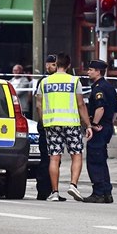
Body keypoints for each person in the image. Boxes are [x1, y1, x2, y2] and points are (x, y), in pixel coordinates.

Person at [36, 53, 93, 202]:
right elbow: (81, 105)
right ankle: (73, 185)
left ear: (56, 64)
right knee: (77, 154)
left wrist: (44, 121)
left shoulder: (45, 82)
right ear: (68, 65)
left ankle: (54, 191)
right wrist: (88, 125)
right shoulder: (74, 81)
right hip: (71, 123)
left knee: (54, 158)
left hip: (52, 124)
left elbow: (38, 104)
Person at [84, 59, 117, 203]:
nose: (88, 72)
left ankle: (98, 193)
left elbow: (100, 108)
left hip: (99, 128)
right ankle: (106, 193)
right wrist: (109, 123)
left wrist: (93, 124)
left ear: (98, 72)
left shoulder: (98, 88)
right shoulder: (109, 87)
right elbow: (116, 109)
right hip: (107, 127)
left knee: (94, 160)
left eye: (91, 70)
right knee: (102, 160)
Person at [33, 54, 58, 200]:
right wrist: (43, 122)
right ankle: (43, 191)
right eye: (48, 64)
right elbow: (38, 104)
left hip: (56, 125)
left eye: (52, 64)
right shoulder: (43, 81)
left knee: (54, 160)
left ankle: (53, 190)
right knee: (46, 160)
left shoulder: (55, 81)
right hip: (47, 125)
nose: (49, 67)